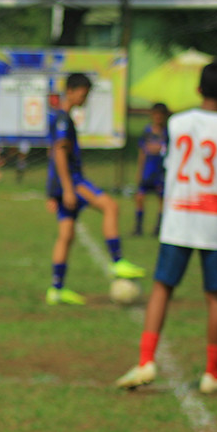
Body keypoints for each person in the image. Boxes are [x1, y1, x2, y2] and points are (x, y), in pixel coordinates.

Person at [116, 59, 217, 393]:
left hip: (178, 218)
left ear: (198, 89)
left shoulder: (176, 123)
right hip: (214, 222)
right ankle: (212, 375)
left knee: (162, 287)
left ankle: (146, 361)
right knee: (216, 297)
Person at [46, 72, 145, 305]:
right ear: (70, 91)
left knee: (66, 236)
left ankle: (56, 289)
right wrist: (68, 189)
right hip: (73, 182)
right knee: (110, 206)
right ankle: (117, 261)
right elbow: (58, 154)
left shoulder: (63, 117)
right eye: (83, 93)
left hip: (63, 185)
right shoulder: (62, 120)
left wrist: (52, 192)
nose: (86, 98)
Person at [133, 102, 170, 236]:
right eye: (156, 115)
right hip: (148, 171)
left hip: (160, 172)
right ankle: (138, 227)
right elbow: (142, 152)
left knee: (161, 199)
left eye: (161, 115)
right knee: (140, 197)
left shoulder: (167, 134)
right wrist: (139, 171)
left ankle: (159, 227)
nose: (158, 118)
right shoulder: (147, 132)